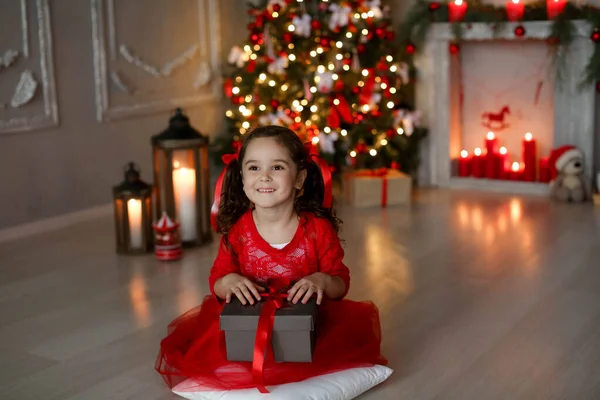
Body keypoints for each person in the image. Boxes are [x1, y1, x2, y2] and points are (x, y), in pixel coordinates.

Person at [156, 125, 386, 391]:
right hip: (249, 328)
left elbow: (340, 283)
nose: (264, 177)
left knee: (325, 354)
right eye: (254, 168)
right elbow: (217, 280)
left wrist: (321, 280)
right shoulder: (238, 232)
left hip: (307, 327)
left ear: (299, 178)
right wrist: (230, 281)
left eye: (277, 167)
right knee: (222, 354)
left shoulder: (317, 230)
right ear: (241, 178)